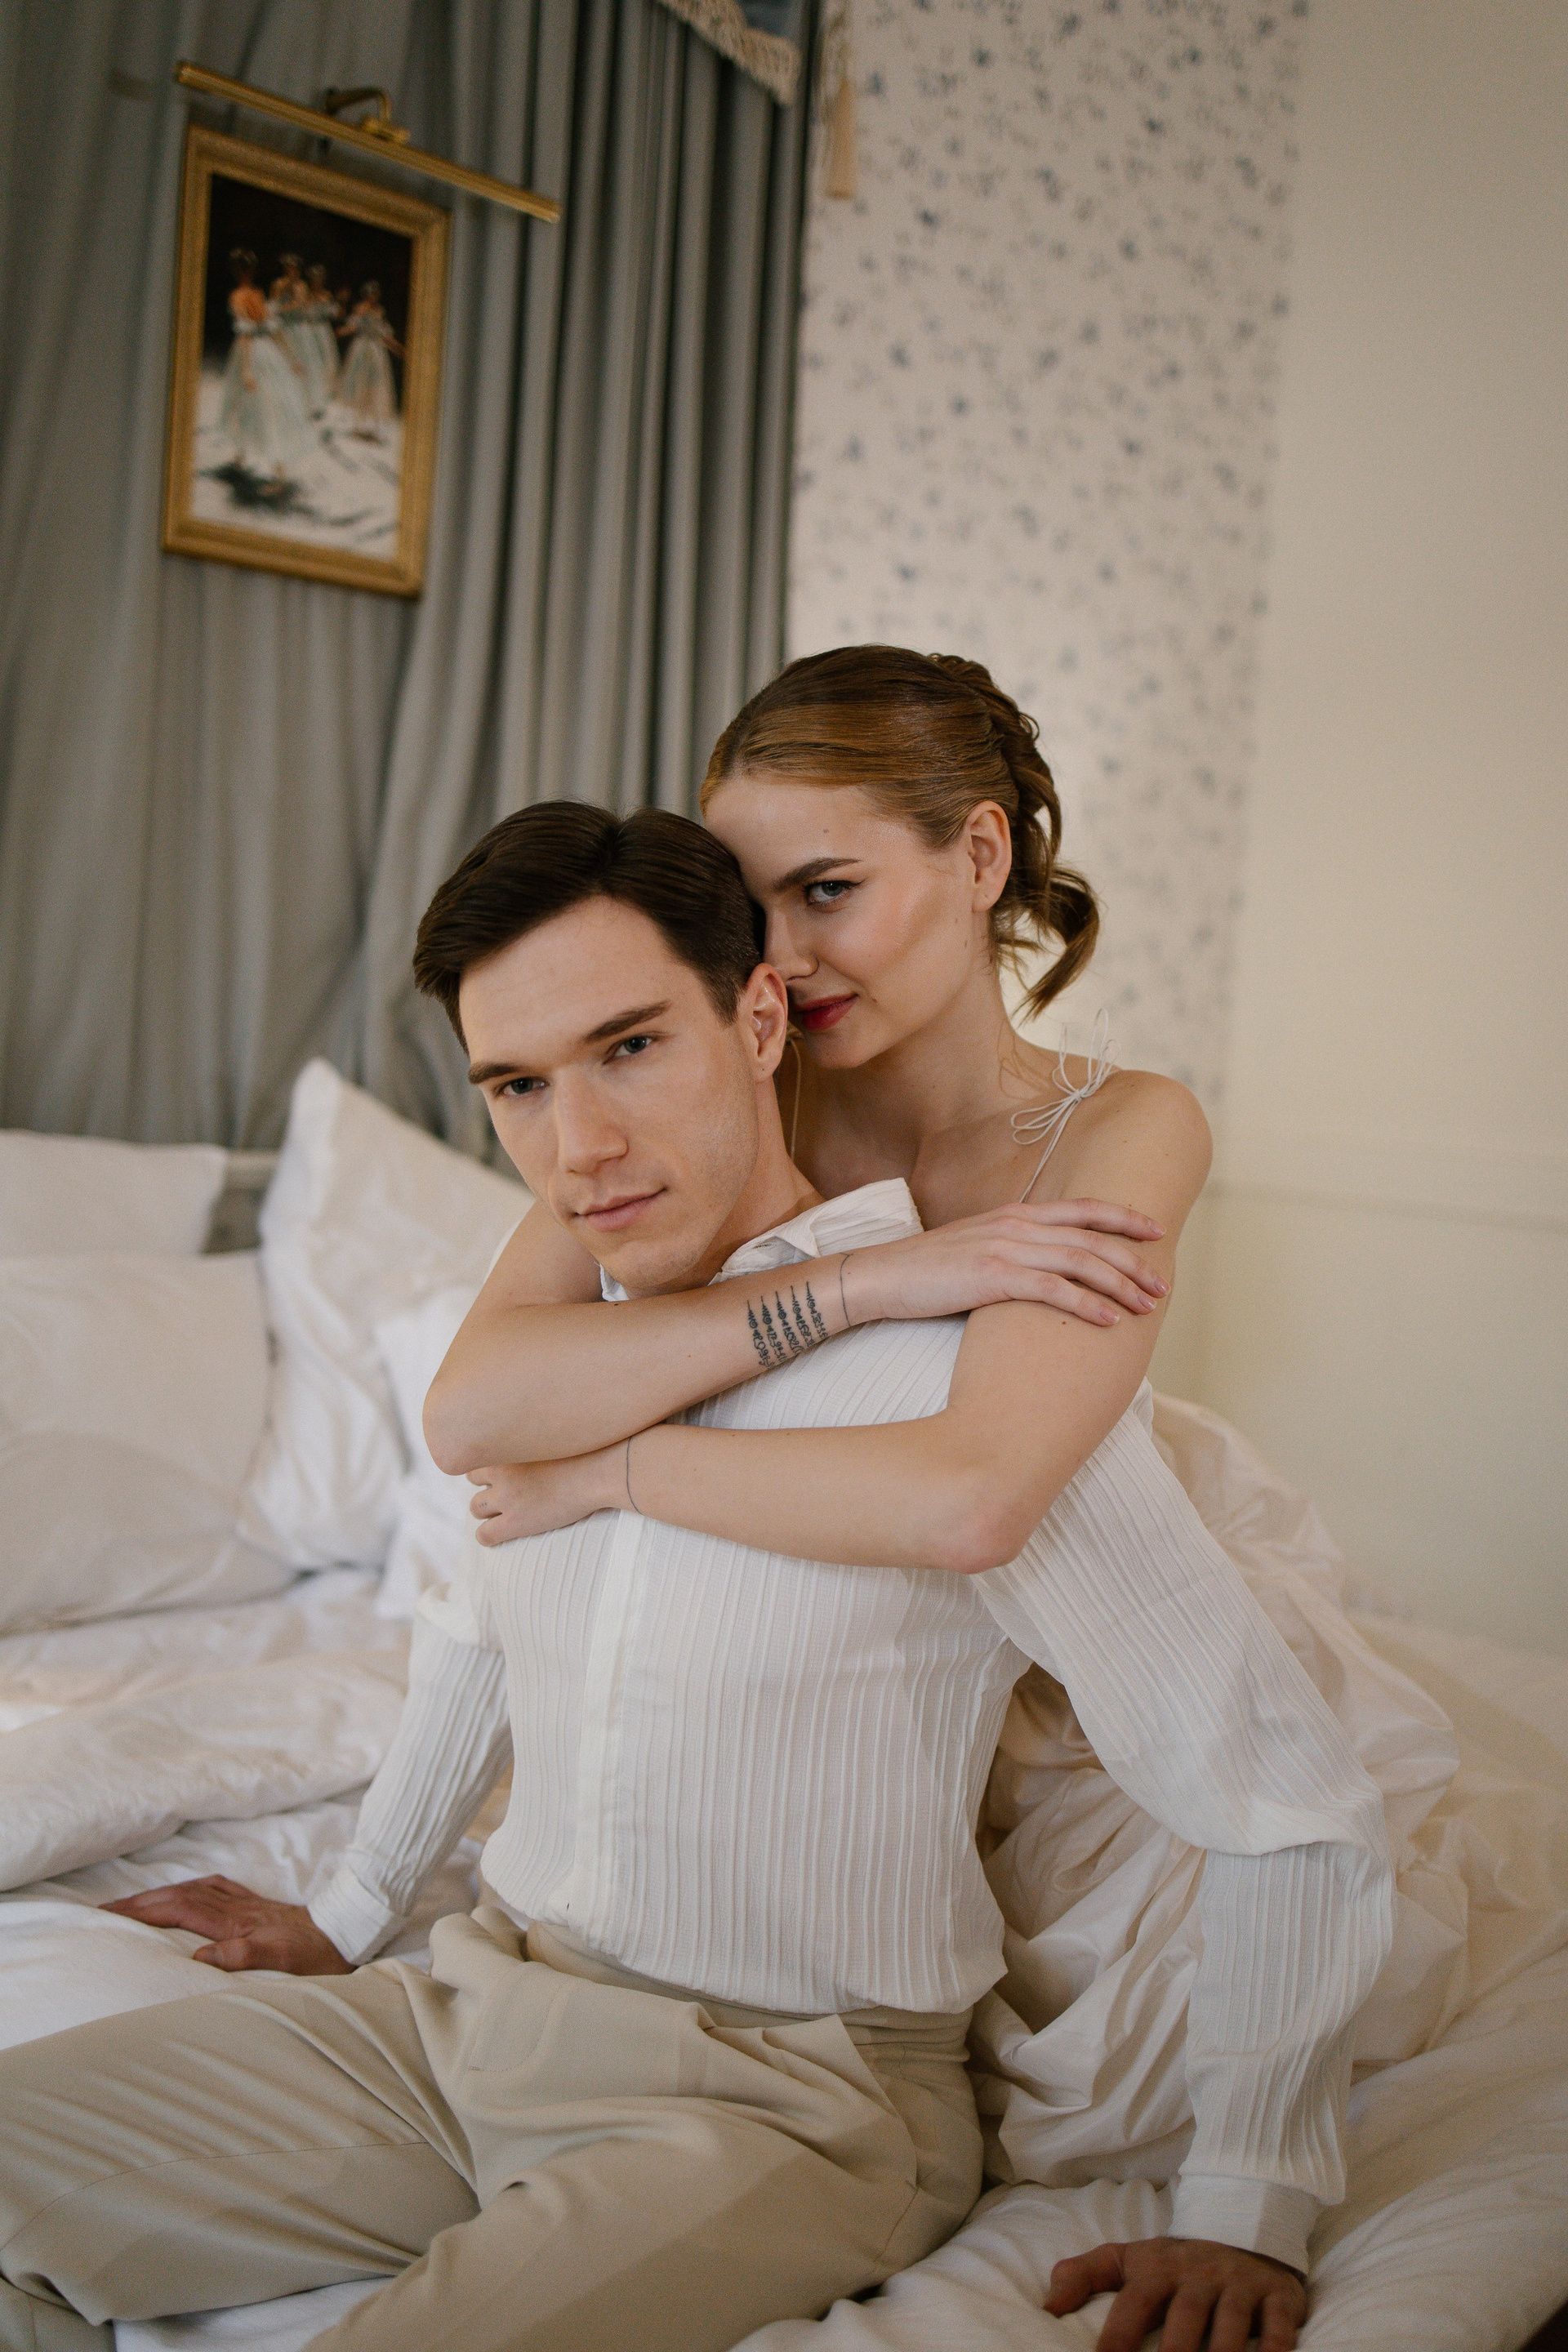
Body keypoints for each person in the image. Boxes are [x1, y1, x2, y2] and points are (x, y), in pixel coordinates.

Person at [3, 806, 1393, 2352]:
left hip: (794, 2100)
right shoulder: (553, 1373)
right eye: (519, 1086)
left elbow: (1281, 1786)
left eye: (630, 1048)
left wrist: (1251, 2200)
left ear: (759, 1019)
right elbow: (476, 1633)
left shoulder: (969, 1395)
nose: (579, 1148)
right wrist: (348, 1912)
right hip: (469, 2014)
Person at [216, 247, 313, 483]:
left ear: (238, 271)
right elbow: (273, 330)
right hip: (265, 352)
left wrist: (248, 369)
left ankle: (278, 471)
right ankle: (242, 455)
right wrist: (291, 359)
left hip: (252, 354)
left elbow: (248, 334)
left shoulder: (240, 296)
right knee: (250, 405)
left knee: (262, 406)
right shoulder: (257, 294)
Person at [336, 280, 401, 440]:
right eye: (372, 294)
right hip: (362, 349)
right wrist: (340, 332)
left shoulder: (380, 311)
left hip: (375, 350)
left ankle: (373, 425)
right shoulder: (360, 309)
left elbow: (384, 334)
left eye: (376, 294)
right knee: (360, 383)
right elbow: (353, 326)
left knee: (376, 384)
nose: (374, 297)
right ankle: (358, 424)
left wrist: (397, 348)